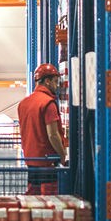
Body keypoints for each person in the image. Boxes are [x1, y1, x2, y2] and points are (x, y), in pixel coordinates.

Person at [17, 63, 66, 194]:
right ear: (47, 81)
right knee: (48, 199)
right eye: (55, 81)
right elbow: (53, 135)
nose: (57, 86)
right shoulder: (48, 103)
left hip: (31, 161)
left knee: (33, 197)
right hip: (47, 161)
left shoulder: (23, 103)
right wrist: (62, 154)